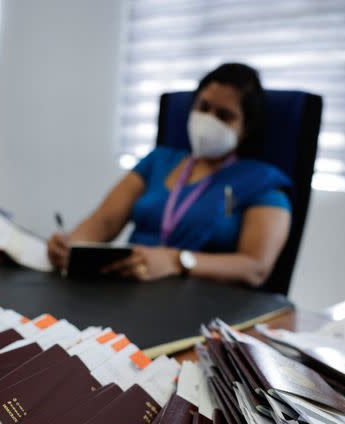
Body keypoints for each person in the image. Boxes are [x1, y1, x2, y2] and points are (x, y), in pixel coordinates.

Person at [47, 63, 292, 287]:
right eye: (203, 108)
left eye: (224, 115)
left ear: (246, 127)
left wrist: (176, 261)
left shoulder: (262, 182)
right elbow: (104, 223)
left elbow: (255, 268)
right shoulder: (159, 160)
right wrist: (72, 246)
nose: (209, 120)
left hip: (198, 299)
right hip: (126, 286)